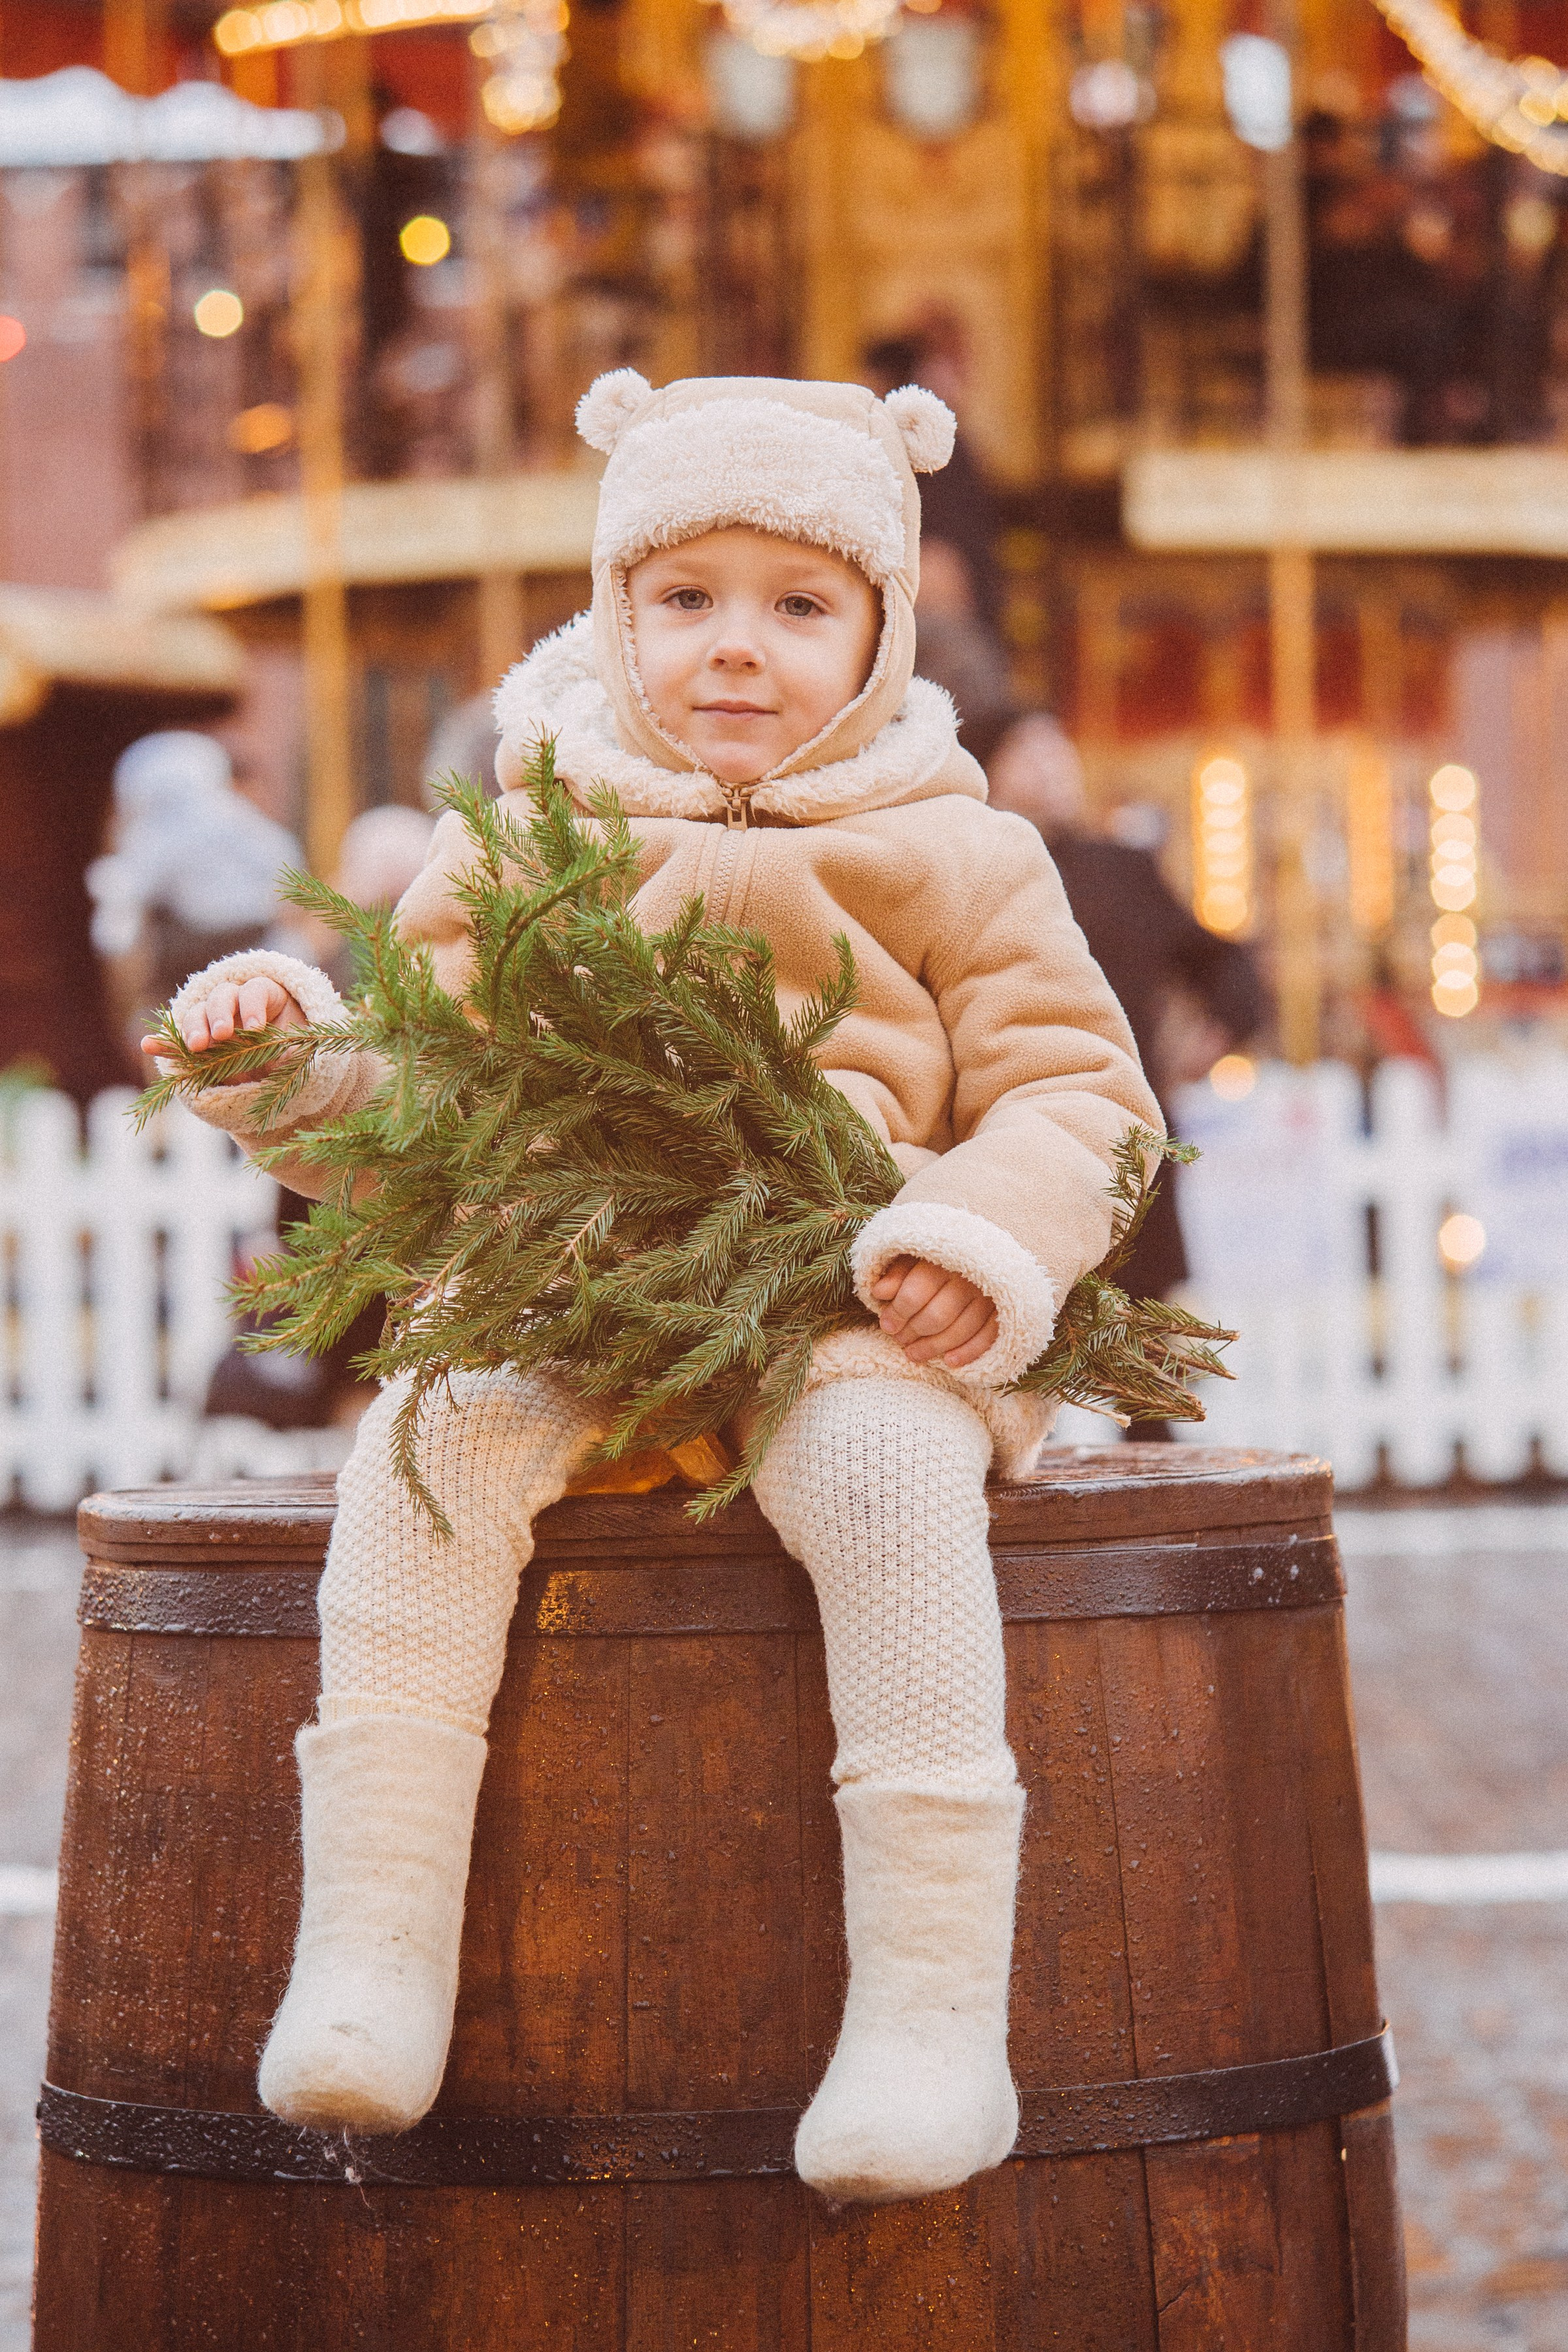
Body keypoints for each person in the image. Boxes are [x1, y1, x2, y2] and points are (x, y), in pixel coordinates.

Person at [146, 372, 1160, 2207]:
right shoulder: (527, 837)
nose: (735, 646)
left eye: (799, 602)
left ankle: (932, 2016)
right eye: (685, 596)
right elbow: (431, 1098)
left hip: (848, 1297)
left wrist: (973, 1241)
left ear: (881, 627)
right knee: (430, 1443)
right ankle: (375, 1943)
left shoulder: (958, 847)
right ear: (615, 615)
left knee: (886, 1483)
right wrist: (286, 1059)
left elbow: (1081, 1097)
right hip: (576, 1284)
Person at [987, 712, 1267, 1324]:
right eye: (1028, 750)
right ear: (990, 769)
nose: (1051, 765)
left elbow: (1217, 959)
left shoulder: (1119, 868)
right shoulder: (973, 868)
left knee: (1142, 1325)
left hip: (1127, 1127)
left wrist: (1219, 1032)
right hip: (1007, 1132)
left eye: (1058, 747)